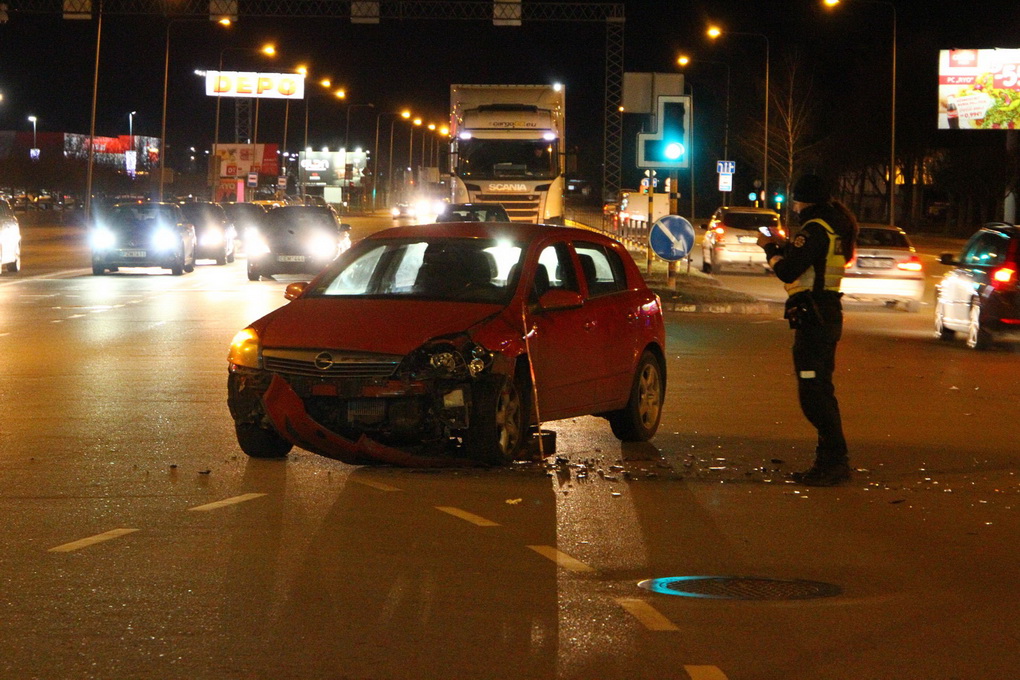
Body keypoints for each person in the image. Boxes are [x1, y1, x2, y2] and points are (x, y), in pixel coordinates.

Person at [757, 173, 858, 486]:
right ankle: (830, 461)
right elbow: (813, 260)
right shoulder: (834, 225)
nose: (794, 205)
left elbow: (789, 271)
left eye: (795, 199)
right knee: (820, 390)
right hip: (826, 314)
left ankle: (834, 462)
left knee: (814, 394)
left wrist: (769, 249)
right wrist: (786, 245)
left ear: (802, 199)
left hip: (815, 317)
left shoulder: (815, 228)